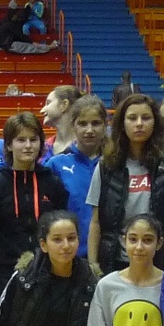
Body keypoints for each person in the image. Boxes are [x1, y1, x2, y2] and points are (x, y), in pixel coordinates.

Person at [87, 94, 164, 273]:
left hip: (161, 262)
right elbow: (96, 221)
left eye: (146, 118)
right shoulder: (106, 165)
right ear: (122, 124)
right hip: (116, 262)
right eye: (132, 118)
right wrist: (93, 263)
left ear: (155, 123)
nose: (139, 123)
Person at [0, 111, 69, 303]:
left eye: (33, 140)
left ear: (41, 143)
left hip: (46, 272)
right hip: (5, 275)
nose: (28, 146)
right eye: (21, 140)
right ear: (9, 145)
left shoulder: (54, 184)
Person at [45, 94, 106, 258]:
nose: (89, 130)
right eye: (82, 124)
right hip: (68, 255)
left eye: (96, 123)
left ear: (105, 125)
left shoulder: (115, 165)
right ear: (73, 126)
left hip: (109, 255)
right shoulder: (56, 165)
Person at [40, 84, 81, 156]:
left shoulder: (86, 147)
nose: (42, 111)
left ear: (64, 104)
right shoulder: (44, 148)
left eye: (48, 103)